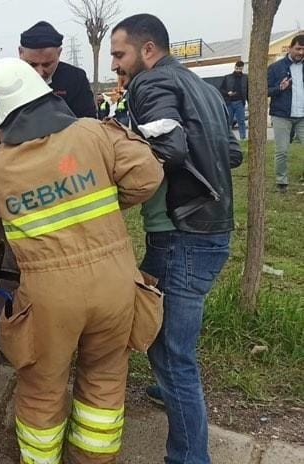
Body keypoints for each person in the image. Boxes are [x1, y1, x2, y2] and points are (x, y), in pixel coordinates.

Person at [0, 57, 164, 464]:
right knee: (105, 381)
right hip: (116, 285)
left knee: (42, 389)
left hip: (51, 297)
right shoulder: (93, 133)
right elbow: (148, 175)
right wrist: (99, 205)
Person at [111, 14, 243, 464]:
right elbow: (232, 153)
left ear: (148, 50)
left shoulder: (149, 83)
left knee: (172, 354)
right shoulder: (202, 87)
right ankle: (168, 389)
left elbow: (169, 148)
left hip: (180, 234)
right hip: (209, 228)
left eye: (120, 54)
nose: (116, 65)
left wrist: (118, 172)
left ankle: (189, 456)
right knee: (160, 334)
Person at [19, 21, 97, 118]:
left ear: (59, 53)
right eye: (32, 64)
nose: (39, 73)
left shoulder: (76, 79)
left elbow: (88, 122)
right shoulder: (8, 80)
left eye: (47, 64)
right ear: (20, 53)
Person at [268, 34, 304, 193]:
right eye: (298, 48)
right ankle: (281, 181)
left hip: (302, 115)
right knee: (282, 150)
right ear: (290, 48)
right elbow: (265, 90)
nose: (301, 52)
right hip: (281, 115)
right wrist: (279, 88)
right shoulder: (275, 68)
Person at [219, 60, 249, 141]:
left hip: (240, 102)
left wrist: (248, 103)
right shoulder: (227, 77)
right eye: (237, 68)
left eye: (240, 68)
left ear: (242, 68)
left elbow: (247, 91)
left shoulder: (245, 78)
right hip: (229, 102)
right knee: (228, 121)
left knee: (241, 121)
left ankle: (243, 137)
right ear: (235, 67)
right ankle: (228, 138)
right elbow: (221, 89)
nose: (238, 70)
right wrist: (227, 93)